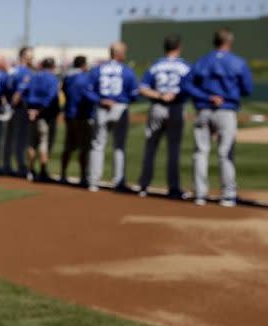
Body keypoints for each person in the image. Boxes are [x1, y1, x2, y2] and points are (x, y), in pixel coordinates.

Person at [184, 28, 253, 207]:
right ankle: (228, 196)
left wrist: (207, 96)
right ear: (230, 42)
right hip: (226, 110)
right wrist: (228, 94)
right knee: (225, 153)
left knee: (200, 152)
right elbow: (247, 88)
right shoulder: (237, 62)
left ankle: (200, 194)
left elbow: (187, 85)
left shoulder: (202, 61)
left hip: (203, 110)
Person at [136, 34, 192, 199]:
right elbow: (191, 87)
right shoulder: (185, 66)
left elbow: (142, 88)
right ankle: (173, 188)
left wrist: (160, 95)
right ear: (179, 47)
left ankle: (143, 186)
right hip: (176, 108)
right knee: (173, 150)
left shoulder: (156, 65)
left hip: (157, 107)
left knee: (150, 148)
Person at [85, 41, 139, 192]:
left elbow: (88, 91)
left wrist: (101, 100)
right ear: (119, 53)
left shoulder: (98, 69)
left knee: (97, 145)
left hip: (101, 107)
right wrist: (121, 101)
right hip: (120, 107)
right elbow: (134, 94)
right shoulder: (127, 71)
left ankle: (93, 181)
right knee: (119, 147)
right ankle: (119, 181)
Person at [24, 57, 60, 182]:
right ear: (52, 66)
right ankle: (43, 171)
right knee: (43, 143)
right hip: (44, 115)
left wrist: (30, 110)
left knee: (31, 143)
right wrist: (39, 111)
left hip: (31, 113)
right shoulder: (52, 79)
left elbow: (25, 92)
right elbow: (51, 97)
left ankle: (30, 171)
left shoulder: (33, 76)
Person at [60, 55, 93, 186]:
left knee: (68, 146)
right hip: (82, 115)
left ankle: (63, 174)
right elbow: (87, 95)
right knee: (84, 148)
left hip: (69, 115)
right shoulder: (85, 77)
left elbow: (63, 90)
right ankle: (83, 176)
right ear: (83, 65)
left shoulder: (68, 76)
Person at [5, 47, 34, 176]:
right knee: (20, 139)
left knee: (9, 139)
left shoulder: (11, 70)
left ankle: (6, 165)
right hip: (18, 109)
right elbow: (18, 93)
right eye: (30, 56)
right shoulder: (25, 72)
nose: (32, 58)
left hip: (8, 108)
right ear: (24, 57)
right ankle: (21, 166)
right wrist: (11, 106)